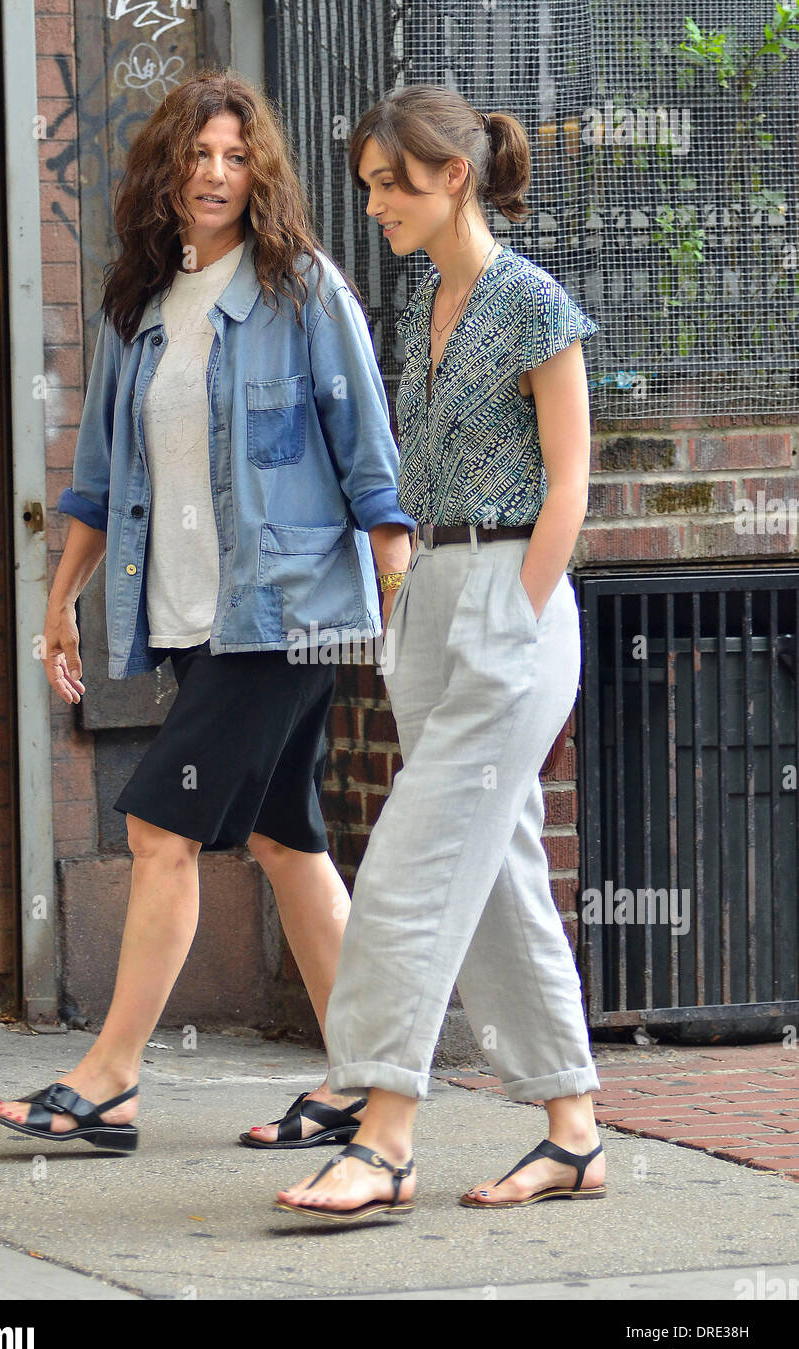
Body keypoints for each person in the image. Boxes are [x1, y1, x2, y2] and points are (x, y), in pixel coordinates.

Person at [0, 70, 415, 1153]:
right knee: (285, 840)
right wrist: (61, 603)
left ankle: (110, 1079)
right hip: (183, 616)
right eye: (198, 154)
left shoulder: (303, 291)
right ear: (167, 171)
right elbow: (95, 479)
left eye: (235, 156)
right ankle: (364, 1081)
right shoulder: (136, 306)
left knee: (159, 823)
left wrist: (401, 598)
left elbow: (372, 464)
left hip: (290, 614)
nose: (216, 174)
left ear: (256, 171)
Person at [276, 86, 604, 1221]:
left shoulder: (531, 302)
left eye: (390, 183)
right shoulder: (425, 298)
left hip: (511, 596)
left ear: (451, 176)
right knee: (502, 871)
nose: (372, 205)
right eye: (367, 184)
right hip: (430, 600)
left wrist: (514, 609)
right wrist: (408, 589)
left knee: (410, 866)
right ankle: (571, 1129)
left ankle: (383, 1132)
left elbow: (570, 482)